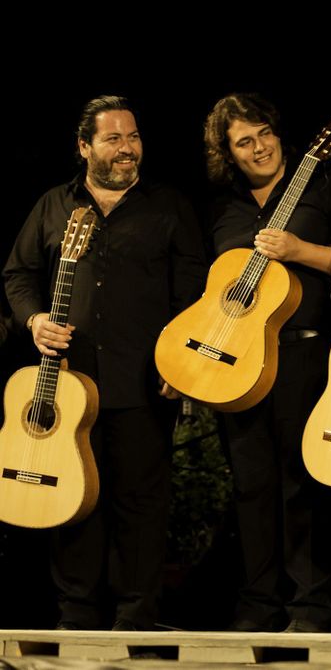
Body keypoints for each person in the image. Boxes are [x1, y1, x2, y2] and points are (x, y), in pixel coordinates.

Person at [4, 96, 206, 629]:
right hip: (68, 386)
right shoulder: (53, 205)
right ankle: (76, 619)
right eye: (113, 138)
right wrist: (34, 321)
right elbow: (18, 276)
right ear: (84, 146)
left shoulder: (170, 206)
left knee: (140, 504)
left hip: (144, 382)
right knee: (72, 501)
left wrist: (180, 366)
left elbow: (192, 297)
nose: (127, 148)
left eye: (133, 137)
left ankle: (135, 620)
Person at [202, 94, 331, 632]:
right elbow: (209, 286)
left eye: (263, 132)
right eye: (244, 141)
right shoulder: (223, 208)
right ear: (229, 153)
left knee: (303, 480)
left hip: (303, 352)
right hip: (236, 361)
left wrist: (299, 250)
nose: (259, 147)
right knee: (251, 484)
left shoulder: (326, 187)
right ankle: (258, 604)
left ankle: (311, 605)